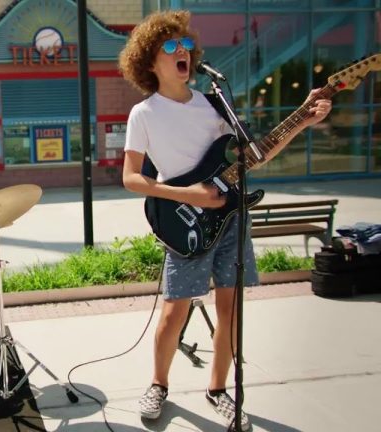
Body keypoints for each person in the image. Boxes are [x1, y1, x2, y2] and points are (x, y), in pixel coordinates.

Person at [118, 10, 332, 430]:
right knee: (173, 314)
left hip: (231, 218)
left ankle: (218, 390)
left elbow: (254, 156)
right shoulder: (144, 114)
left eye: (185, 45)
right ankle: (158, 384)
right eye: (169, 46)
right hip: (183, 221)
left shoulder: (215, 103)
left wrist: (303, 119)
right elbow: (130, 178)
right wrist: (189, 195)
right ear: (149, 62)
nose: (181, 51)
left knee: (230, 312)